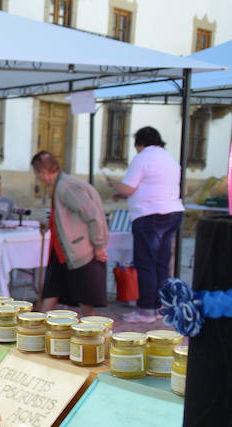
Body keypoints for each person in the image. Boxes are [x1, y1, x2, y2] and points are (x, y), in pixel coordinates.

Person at [107, 126, 184, 323]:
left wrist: (114, 183)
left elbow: (128, 187)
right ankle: (160, 307)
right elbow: (153, 186)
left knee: (146, 263)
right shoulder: (169, 158)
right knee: (161, 263)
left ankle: (145, 310)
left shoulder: (143, 157)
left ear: (140, 143)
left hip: (150, 216)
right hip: (172, 212)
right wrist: (124, 192)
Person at [32, 151, 109, 316]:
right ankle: (36, 330)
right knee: (51, 293)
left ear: (44, 172)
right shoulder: (61, 184)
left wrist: (98, 245)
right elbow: (67, 215)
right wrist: (50, 223)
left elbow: (92, 215)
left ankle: (94, 334)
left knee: (85, 300)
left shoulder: (66, 187)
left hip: (78, 251)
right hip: (62, 252)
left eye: (37, 174)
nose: (37, 179)